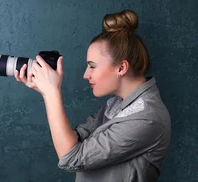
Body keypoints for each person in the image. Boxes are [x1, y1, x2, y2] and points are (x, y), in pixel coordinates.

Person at [14, 10, 171, 181]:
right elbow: (74, 140)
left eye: (92, 66)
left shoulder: (146, 118)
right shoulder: (117, 103)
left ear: (121, 68)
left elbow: (72, 158)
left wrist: (52, 93)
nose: (86, 74)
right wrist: (46, 92)